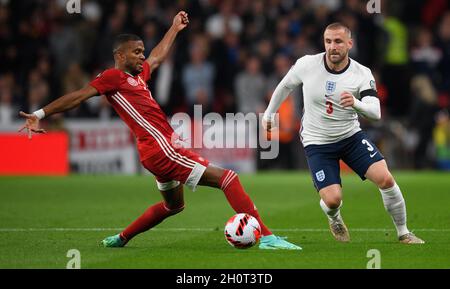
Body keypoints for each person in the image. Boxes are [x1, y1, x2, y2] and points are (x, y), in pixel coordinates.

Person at [18, 11, 301, 250]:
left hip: (154, 151)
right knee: (229, 178)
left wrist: (174, 28)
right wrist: (41, 114)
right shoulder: (112, 77)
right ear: (120, 55)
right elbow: (79, 96)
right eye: (136, 52)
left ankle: (122, 238)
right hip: (161, 147)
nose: (142, 56)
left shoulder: (138, 77)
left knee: (173, 206)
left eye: (142, 51)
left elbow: (157, 57)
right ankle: (267, 237)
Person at [262, 22, 424, 244]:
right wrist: (269, 114)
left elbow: (375, 112)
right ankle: (334, 217)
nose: (332, 47)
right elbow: (285, 86)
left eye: (338, 41)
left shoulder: (361, 73)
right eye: (328, 41)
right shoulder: (307, 64)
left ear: (349, 43)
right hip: (317, 141)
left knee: (386, 179)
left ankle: (404, 233)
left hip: (350, 137)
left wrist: (356, 103)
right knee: (333, 199)